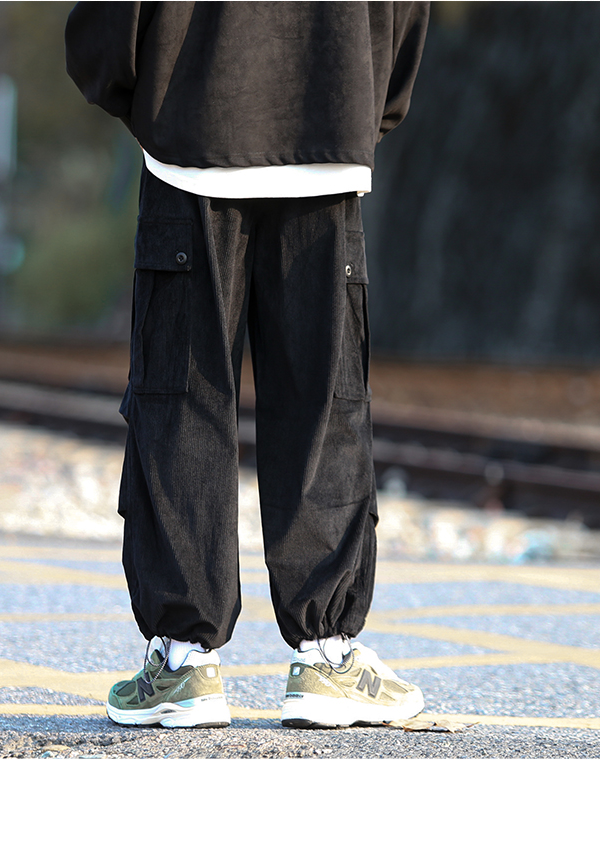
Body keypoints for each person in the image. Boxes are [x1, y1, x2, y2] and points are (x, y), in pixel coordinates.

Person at [65, 1, 430, 729]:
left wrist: (154, 100)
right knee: (322, 404)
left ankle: (182, 662)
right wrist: (357, 103)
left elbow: (107, 29)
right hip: (327, 131)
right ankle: (327, 656)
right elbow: (404, 17)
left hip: (192, 133)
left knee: (183, 402)